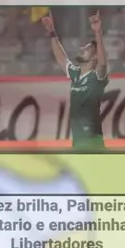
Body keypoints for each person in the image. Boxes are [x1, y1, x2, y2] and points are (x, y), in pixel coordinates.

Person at [41, 9, 109, 151]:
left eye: (87, 48)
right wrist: (52, 33)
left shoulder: (96, 77)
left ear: (95, 57)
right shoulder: (76, 74)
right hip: (78, 141)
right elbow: (61, 59)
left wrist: (98, 32)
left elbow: (102, 63)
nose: (82, 48)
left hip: (92, 142)